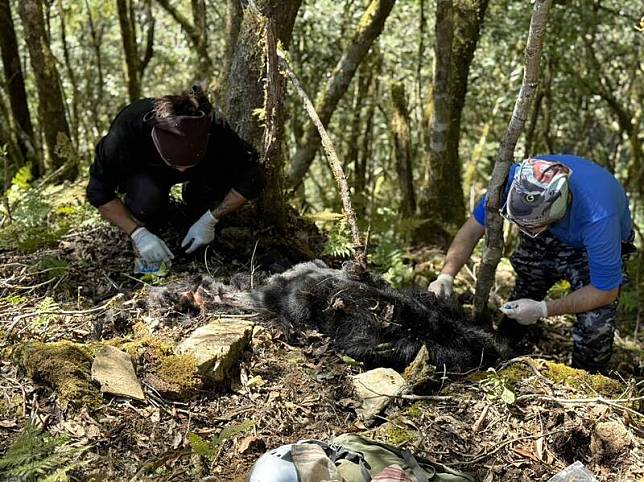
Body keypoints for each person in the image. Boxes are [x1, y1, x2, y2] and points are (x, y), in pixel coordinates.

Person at [428, 154, 634, 372]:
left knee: (596, 321)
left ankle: (587, 378)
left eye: (531, 227)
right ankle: (503, 349)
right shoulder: (515, 182)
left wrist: (543, 309)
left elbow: (605, 291)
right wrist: (446, 275)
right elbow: (472, 230)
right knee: (529, 283)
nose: (528, 232)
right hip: (547, 224)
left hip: (588, 242)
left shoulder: (600, 219)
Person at [86, 86, 264, 268]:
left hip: (202, 174)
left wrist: (211, 219)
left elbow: (252, 175)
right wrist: (138, 234)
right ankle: (149, 223)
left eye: (188, 164)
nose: (181, 171)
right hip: (148, 176)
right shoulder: (129, 129)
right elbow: (98, 192)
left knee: (211, 191)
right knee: (146, 200)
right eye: (175, 164)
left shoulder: (215, 127)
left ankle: (197, 202)